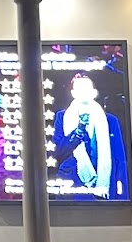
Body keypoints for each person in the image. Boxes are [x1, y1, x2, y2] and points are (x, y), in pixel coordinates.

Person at [54, 71, 126, 199]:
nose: (84, 93)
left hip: (104, 188)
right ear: (73, 93)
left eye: (87, 89)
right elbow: (58, 152)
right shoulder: (62, 117)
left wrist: (122, 195)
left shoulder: (110, 120)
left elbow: (120, 159)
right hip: (72, 188)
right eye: (80, 89)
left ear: (93, 92)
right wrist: (78, 131)